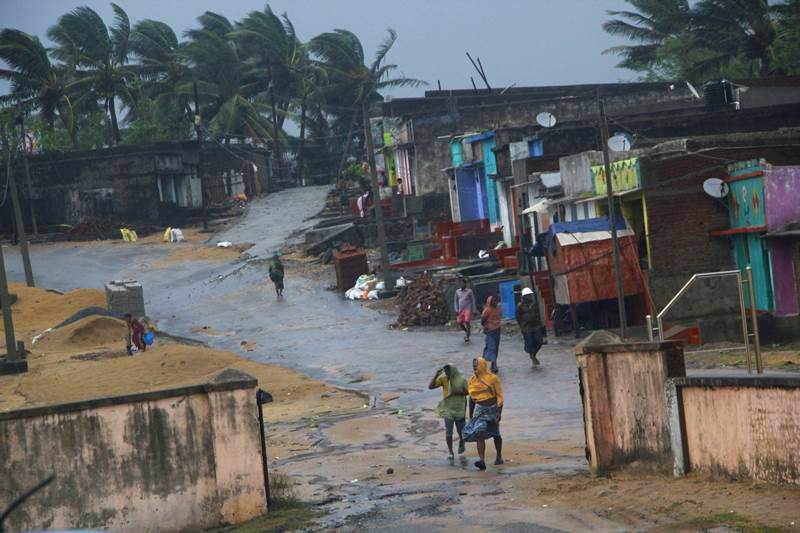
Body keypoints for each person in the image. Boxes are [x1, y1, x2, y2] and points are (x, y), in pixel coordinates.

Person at [463, 357, 504, 470]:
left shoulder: (493, 378)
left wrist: (499, 413)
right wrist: (471, 415)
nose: (474, 367)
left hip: (492, 409)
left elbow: (500, 396)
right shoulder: (472, 380)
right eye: (473, 366)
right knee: (479, 433)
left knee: (495, 434)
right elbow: (472, 399)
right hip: (479, 410)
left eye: (476, 365)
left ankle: (499, 456)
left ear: (482, 365)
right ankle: (482, 460)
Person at [428, 363, 468, 463]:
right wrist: (436, 375)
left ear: (453, 371)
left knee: (461, 431)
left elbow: (468, 392)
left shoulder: (462, 379)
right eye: (445, 372)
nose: (446, 373)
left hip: (459, 407)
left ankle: (462, 442)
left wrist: (456, 393)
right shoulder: (444, 379)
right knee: (449, 432)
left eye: (448, 371)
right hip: (448, 409)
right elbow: (430, 387)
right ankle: (450, 452)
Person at [516, 287, 544, 366]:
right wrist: (522, 326)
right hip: (527, 327)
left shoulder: (534, 303)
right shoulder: (520, 306)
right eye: (528, 295)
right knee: (530, 343)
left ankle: (534, 354)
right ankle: (532, 356)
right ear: (524, 296)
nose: (530, 296)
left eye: (530, 295)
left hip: (536, 325)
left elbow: (538, 313)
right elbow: (518, 316)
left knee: (539, 341)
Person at [481, 295, 502, 373]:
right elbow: (483, 320)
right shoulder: (487, 310)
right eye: (493, 301)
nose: (494, 302)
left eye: (495, 300)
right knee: (492, 347)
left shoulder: (498, 309)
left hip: (497, 330)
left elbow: (499, 317)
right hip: (490, 331)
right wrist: (486, 327)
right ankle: (494, 364)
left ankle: (492, 362)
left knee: (495, 347)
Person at [454, 278, 476, 343]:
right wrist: (456, 310)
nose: (462, 284)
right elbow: (455, 301)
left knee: (467, 321)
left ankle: (467, 337)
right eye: (461, 283)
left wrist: (474, 309)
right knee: (459, 322)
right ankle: (467, 331)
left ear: (465, 284)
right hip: (460, 309)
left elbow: (473, 300)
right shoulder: (457, 291)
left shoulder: (469, 291)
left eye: (463, 283)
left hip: (467, 309)